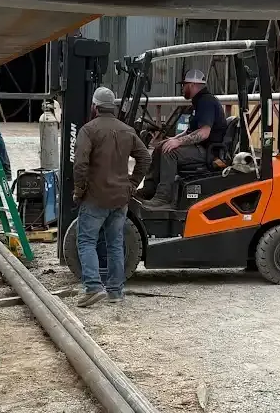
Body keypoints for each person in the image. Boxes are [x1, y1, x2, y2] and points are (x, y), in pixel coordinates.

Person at [72, 86, 150, 309]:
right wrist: (132, 184)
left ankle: (93, 287)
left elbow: (80, 164)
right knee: (115, 243)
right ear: (112, 106)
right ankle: (115, 291)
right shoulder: (127, 130)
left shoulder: (88, 130)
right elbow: (145, 157)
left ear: (95, 106)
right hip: (120, 199)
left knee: (86, 241)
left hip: (96, 198)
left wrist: (79, 190)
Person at [140, 67, 229, 209]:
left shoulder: (206, 102)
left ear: (193, 85)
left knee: (170, 152)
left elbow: (204, 133)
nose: (182, 88)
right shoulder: (199, 102)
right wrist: (172, 139)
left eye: (184, 85)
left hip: (209, 151)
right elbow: (190, 131)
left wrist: (177, 142)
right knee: (161, 147)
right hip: (201, 147)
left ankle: (164, 197)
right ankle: (149, 189)